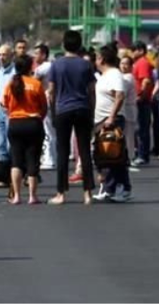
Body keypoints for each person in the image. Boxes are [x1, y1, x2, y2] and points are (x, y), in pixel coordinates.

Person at [45, 31, 96, 205]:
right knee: (84, 151)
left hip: (63, 110)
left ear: (64, 45)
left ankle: (61, 193)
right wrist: (92, 111)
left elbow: (51, 92)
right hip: (82, 108)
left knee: (62, 152)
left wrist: (53, 111)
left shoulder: (57, 65)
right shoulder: (86, 65)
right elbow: (92, 91)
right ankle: (88, 193)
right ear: (80, 45)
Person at [2, 55, 46, 205]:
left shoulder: (10, 84)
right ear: (30, 67)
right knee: (33, 160)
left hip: (15, 123)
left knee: (16, 160)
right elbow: (43, 106)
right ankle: (32, 196)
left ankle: (16, 196)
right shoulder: (36, 84)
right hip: (33, 123)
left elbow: (4, 105)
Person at [92, 45, 132, 202]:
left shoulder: (115, 74)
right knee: (104, 156)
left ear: (101, 59)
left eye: (96, 57)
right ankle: (108, 188)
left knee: (115, 155)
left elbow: (120, 95)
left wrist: (111, 117)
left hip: (111, 120)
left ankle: (122, 188)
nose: (95, 61)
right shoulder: (104, 75)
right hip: (100, 121)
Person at [131, 42, 156, 165]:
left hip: (142, 101)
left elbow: (145, 81)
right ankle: (141, 154)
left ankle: (142, 155)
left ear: (140, 50)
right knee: (140, 128)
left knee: (142, 129)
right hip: (141, 100)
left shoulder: (142, 63)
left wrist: (139, 95)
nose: (132, 52)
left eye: (134, 50)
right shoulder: (139, 63)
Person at [0, 44, 15, 163]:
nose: (1, 58)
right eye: (0, 55)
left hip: (11, 110)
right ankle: (3, 174)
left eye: (4, 55)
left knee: (10, 144)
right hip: (0, 109)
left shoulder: (15, 72)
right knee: (0, 144)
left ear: (11, 56)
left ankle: (13, 171)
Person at [119, 55, 140, 168]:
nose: (123, 66)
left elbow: (122, 93)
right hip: (125, 108)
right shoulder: (123, 77)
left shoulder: (128, 78)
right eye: (122, 63)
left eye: (126, 63)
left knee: (129, 135)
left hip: (128, 108)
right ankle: (126, 156)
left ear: (131, 66)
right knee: (125, 134)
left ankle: (130, 157)